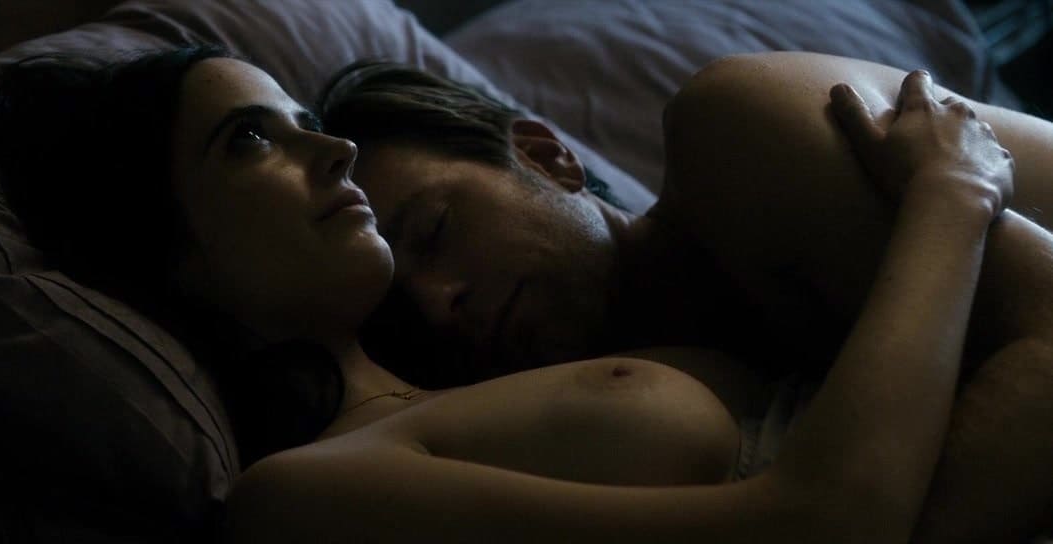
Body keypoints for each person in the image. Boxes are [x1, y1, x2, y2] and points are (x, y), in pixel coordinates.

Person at [0, 45, 1017, 543]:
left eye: (305, 122)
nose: (333, 152)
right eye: (250, 140)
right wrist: (953, 197)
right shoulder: (297, 496)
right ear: (170, 251)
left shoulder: (469, 389)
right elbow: (826, 523)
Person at [317, 54, 1053, 542]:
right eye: (404, 318)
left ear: (547, 156)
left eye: (436, 231)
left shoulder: (733, 132)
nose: (439, 303)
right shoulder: (631, 418)